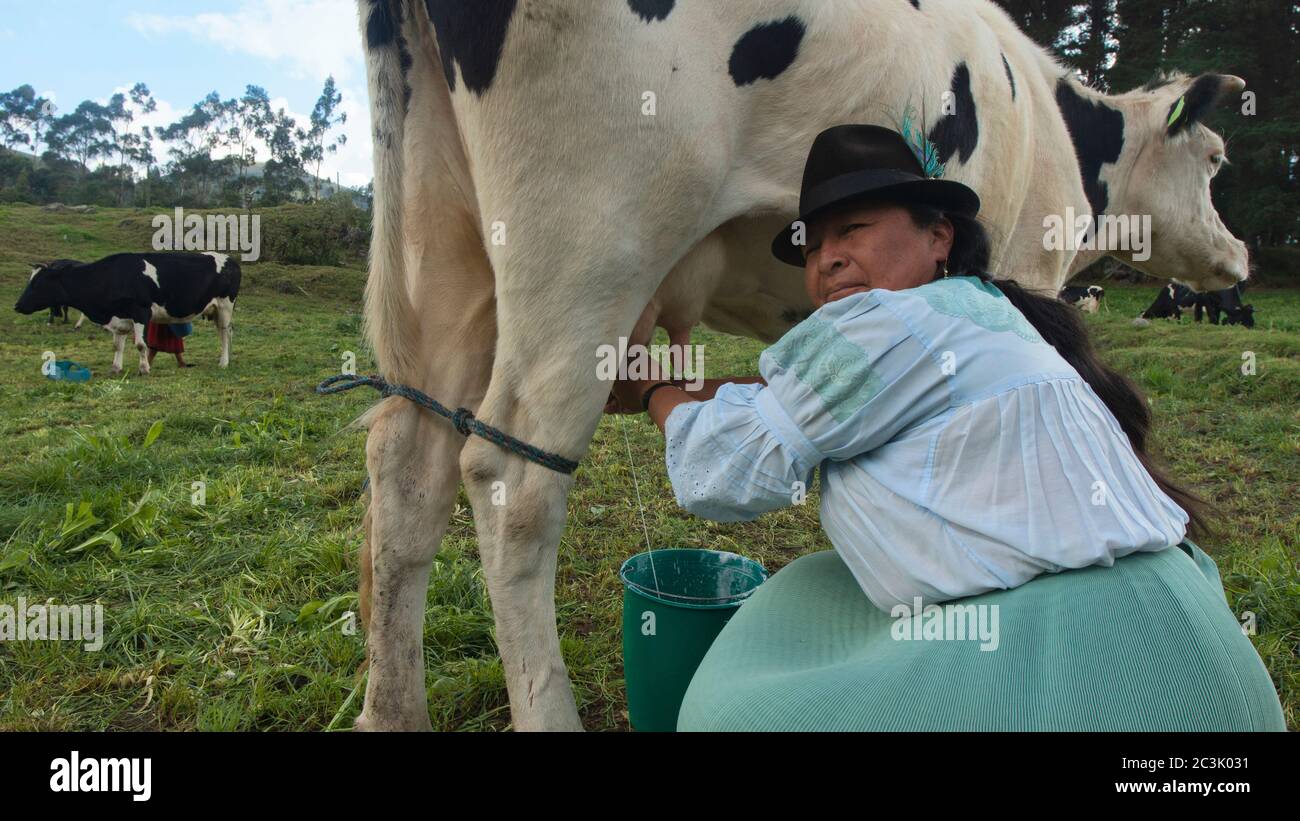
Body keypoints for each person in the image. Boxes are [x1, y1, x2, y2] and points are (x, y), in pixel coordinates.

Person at [607, 124, 1284, 731]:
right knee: (814, 588)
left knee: (727, 715)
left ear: (939, 237)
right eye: (814, 246)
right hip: (1198, 649)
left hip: (1089, 676)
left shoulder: (884, 320)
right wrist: (687, 389)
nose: (827, 259)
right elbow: (794, 397)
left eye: (853, 229)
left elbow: (723, 468)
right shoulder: (981, 312)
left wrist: (655, 392)